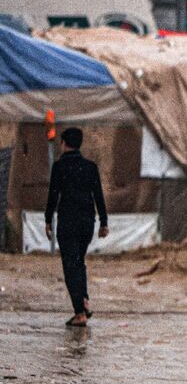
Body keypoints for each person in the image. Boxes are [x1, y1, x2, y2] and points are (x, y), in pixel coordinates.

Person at [44, 127, 109, 327]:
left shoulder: (59, 167)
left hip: (68, 221)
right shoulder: (90, 167)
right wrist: (104, 221)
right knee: (79, 262)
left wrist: (48, 220)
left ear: (63, 143)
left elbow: (53, 195)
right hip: (87, 222)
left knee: (70, 266)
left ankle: (80, 312)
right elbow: (98, 194)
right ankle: (84, 300)